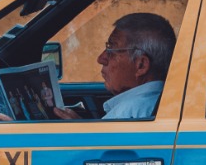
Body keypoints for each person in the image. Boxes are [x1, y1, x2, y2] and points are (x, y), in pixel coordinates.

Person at [34, 12, 176, 122]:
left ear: (141, 65)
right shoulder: (162, 103)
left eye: (111, 50)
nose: (101, 59)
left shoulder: (125, 114)